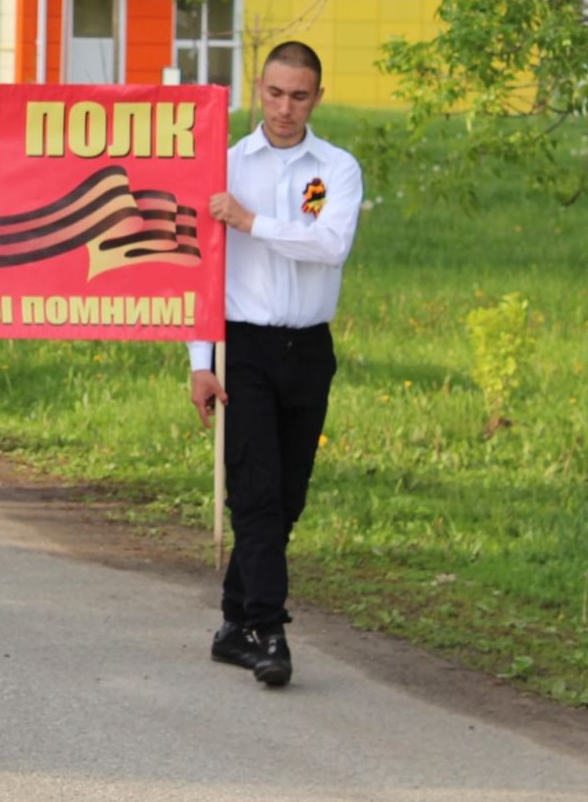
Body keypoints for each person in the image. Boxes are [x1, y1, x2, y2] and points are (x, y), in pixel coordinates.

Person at [189, 41, 362, 690]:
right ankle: (267, 628)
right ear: (258, 89)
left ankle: (234, 620)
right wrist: (200, 362)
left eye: (299, 95)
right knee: (256, 494)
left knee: (286, 498)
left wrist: (252, 221)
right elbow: (198, 271)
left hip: (309, 348)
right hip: (244, 346)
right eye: (275, 92)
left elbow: (329, 244)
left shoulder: (337, 169)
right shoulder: (225, 165)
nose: (285, 107)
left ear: (317, 96)